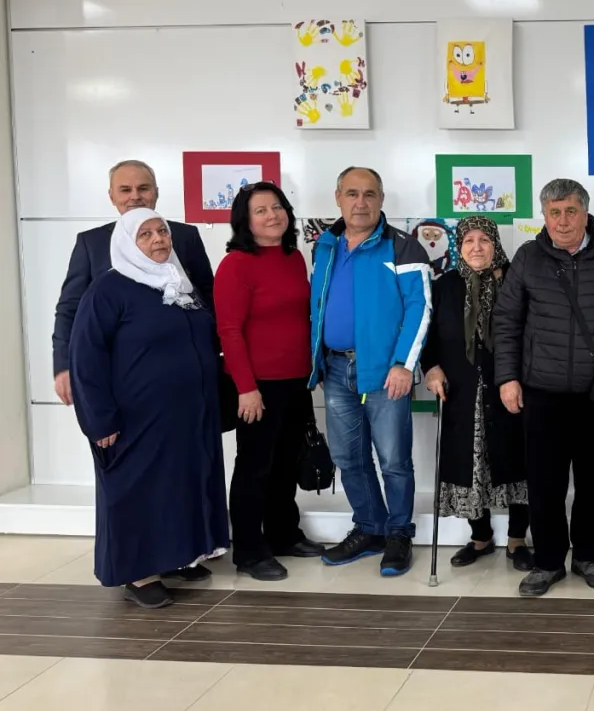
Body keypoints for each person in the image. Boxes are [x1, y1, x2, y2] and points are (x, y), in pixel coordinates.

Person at [52, 160, 216, 583]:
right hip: (132, 408)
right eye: (145, 234)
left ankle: (176, 557)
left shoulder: (177, 276)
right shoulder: (105, 280)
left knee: (176, 484)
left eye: (161, 231)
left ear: (157, 192)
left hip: (180, 409)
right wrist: (84, 396)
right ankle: (139, 574)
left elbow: (208, 308)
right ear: (112, 198)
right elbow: (82, 338)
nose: (158, 239)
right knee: (136, 487)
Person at [492, 179, 594, 597]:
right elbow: (506, 321)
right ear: (544, 215)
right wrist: (507, 378)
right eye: (554, 212)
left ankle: (590, 556)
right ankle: (549, 561)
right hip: (542, 390)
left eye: (570, 211)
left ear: (585, 213)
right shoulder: (528, 257)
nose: (562, 221)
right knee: (545, 483)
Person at [309, 167, 432, 577]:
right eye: (352, 194)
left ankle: (398, 533)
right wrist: (316, 358)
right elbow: (318, 305)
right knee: (348, 457)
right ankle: (370, 527)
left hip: (385, 372)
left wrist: (403, 364)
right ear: (338, 198)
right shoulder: (324, 246)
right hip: (335, 367)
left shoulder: (403, 247)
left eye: (369, 194)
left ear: (381, 199)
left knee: (394, 460)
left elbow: (420, 308)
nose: (360, 203)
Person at [215, 182, 325, 582]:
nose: (272, 215)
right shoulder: (236, 264)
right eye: (260, 210)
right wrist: (246, 388)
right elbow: (229, 331)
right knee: (254, 467)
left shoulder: (294, 257)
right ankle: (248, 550)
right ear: (245, 220)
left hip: (296, 380)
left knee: (285, 463)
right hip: (257, 385)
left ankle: (283, 534)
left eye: (277, 207)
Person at [421, 216, 533, 572]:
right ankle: (480, 537)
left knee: (517, 461)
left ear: (495, 243)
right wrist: (431, 367)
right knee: (468, 463)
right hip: (461, 391)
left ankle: (517, 539)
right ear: (459, 246)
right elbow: (427, 334)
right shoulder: (445, 285)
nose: (477, 247)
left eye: (484, 239)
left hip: (510, 387)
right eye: (468, 240)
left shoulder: (514, 280)